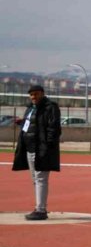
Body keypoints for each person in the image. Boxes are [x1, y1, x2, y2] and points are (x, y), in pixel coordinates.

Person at [12, 85, 61, 221]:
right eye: (31, 94)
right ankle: (39, 207)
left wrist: (48, 145)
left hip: (42, 149)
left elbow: (54, 128)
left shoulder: (50, 107)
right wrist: (22, 123)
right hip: (29, 148)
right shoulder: (30, 108)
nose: (34, 97)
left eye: (36, 94)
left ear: (42, 94)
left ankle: (41, 210)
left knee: (40, 179)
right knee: (35, 179)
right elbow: (31, 125)